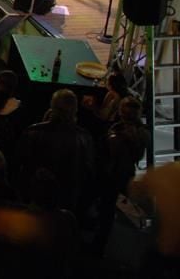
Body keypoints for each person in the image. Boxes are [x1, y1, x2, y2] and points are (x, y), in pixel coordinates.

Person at [15, 89, 95, 216]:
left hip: (35, 194)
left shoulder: (32, 131)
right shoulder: (84, 137)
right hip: (66, 198)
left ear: (52, 108)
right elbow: (87, 171)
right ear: (75, 110)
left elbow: (20, 162)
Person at [94, 96, 149, 254]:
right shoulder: (141, 132)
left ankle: (100, 244)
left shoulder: (122, 132)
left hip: (114, 174)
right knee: (108, 205)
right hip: (122, 173)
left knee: (107, 207)